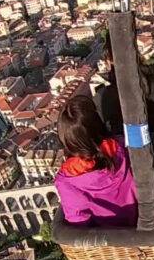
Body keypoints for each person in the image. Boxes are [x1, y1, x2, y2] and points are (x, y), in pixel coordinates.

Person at [54, 95, 137, 227]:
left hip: (110, 243)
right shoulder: (125, 147)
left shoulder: (68, 183)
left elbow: (78, 224)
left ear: (66, 140)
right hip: (142, 223)